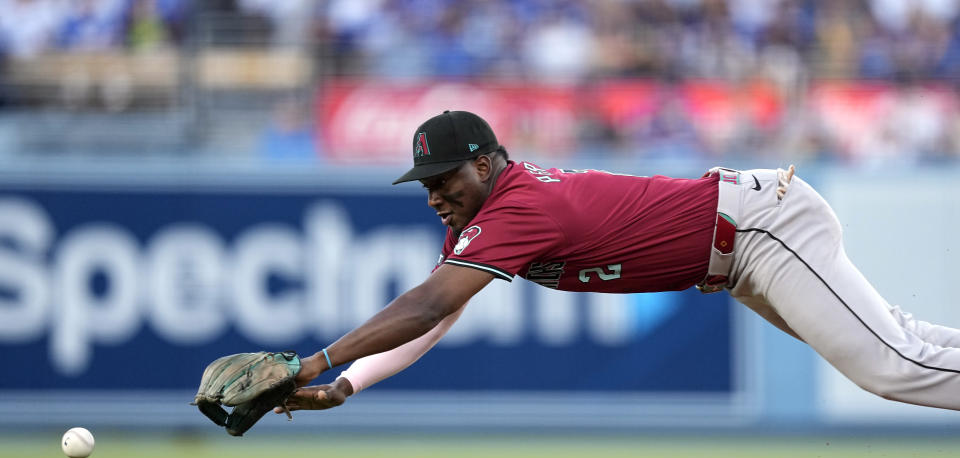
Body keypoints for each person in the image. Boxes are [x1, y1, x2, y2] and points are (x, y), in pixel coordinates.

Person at [277, 109, 960, 416]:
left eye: (445, 178)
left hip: (757, 230)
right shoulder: (494, 212)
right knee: (905, 340)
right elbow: (439, 314)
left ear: (486, 165)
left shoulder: (516, 208)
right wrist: (346, 387)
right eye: (424, 184)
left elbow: (425, 306)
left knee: (888, 366)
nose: (434, 196)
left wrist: (315, 362)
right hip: (741, 248)